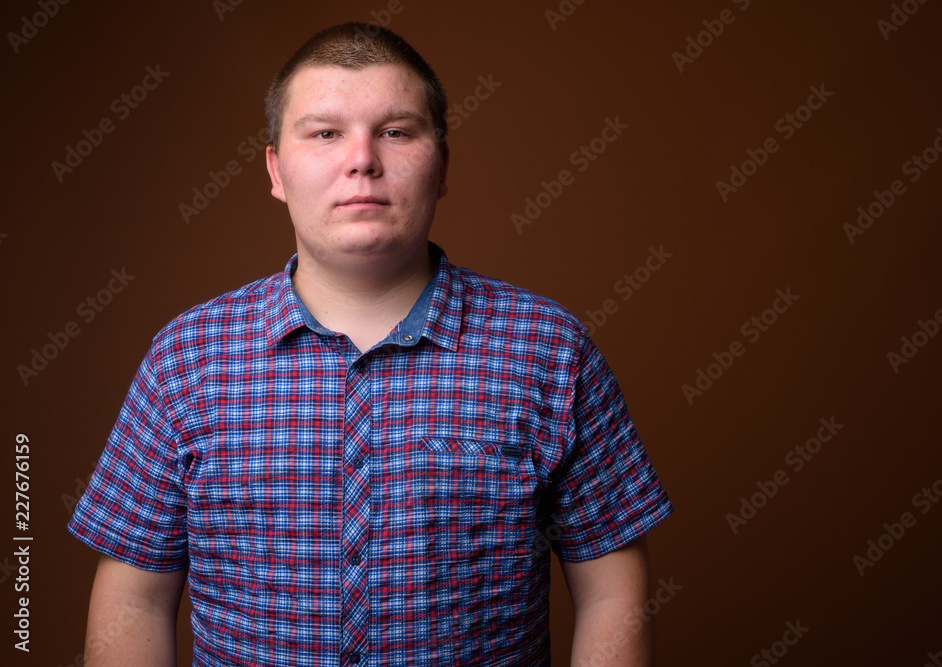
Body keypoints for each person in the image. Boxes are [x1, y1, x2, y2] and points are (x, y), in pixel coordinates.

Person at [69, 22, 673, 666]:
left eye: (396, 131)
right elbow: (135, 599)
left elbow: (612, 593)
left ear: (442, 164)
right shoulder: (186, 358)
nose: (362, 159)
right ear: (276, 168)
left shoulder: (551, 350)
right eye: (326, 133)